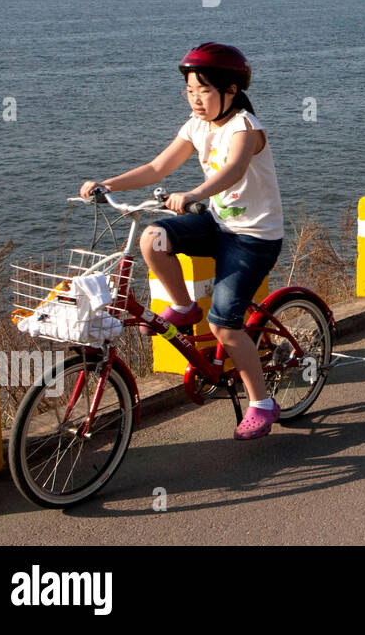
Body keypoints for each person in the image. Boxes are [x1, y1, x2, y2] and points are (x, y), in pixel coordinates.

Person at [79, 43, 285, 439]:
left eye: (204, 91)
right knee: (153, 238)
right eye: (190, 90)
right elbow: (158, 167)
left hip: (254, 238)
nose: (195, 99)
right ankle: (183, 307)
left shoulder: (245, 128)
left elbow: (235, 170)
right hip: (218, 224)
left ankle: (262, 402)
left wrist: (194, 194)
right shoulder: (195, 126)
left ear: (230, 91)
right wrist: (108, 183)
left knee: (225, 325)